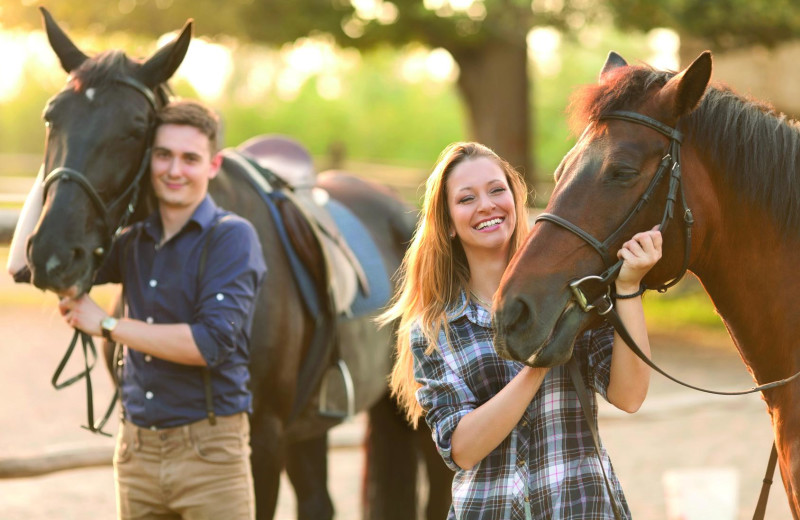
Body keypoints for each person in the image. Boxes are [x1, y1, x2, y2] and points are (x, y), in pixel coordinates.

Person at [380, 142, 661, 519]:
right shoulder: (433, 329)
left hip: (582, 507)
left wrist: (628, 288)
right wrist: (539, 362)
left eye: (497, 190)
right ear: (447, 223)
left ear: (515, 198)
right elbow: (462, 449)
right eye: (466, 199)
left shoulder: (572, 289)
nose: (486, 205)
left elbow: (629, 396)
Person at [58, 99, 266, 519]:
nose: (174, 170)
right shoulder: (131, 240)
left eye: (190, 158)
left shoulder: (232, 238)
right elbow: (40, 262)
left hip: (209, 456)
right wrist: (60, 175)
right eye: (164, 155)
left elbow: (211, 343)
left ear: (213, 165)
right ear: (148, 160)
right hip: (135, 452)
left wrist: (107, 324)